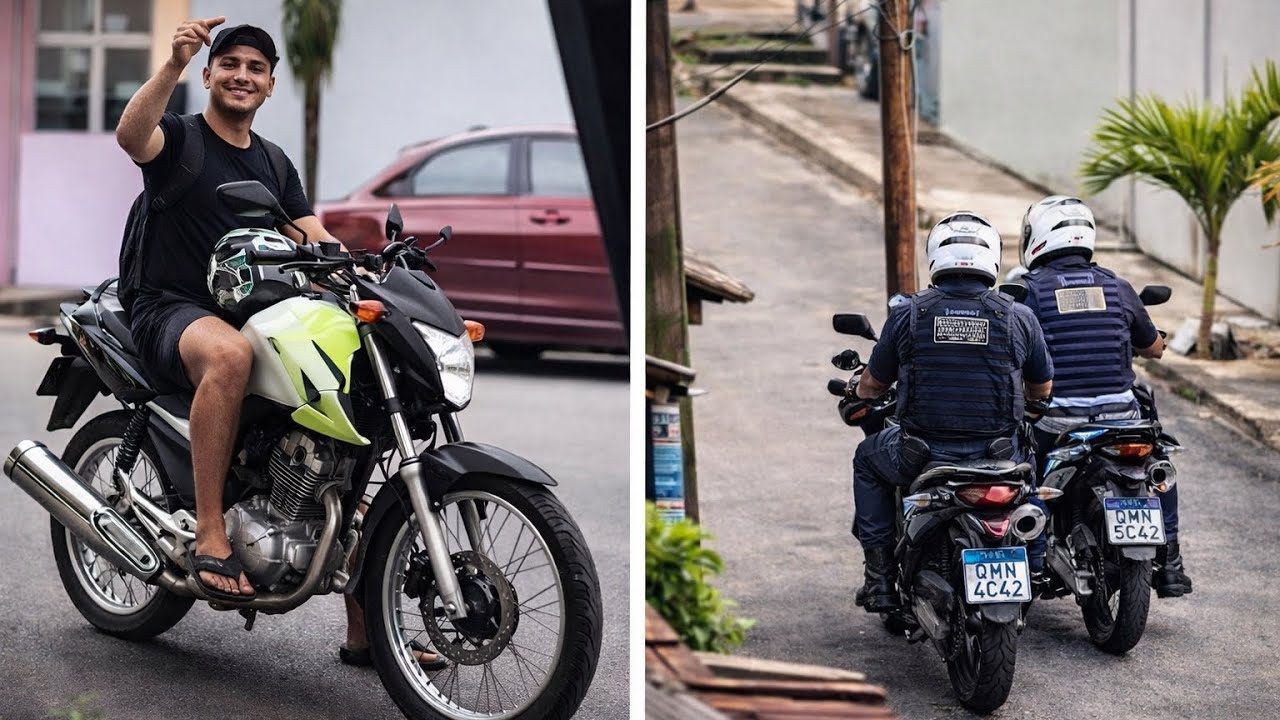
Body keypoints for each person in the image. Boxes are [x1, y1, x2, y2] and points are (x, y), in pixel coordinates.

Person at [115, 17, 443, 665]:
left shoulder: (273, 161)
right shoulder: (180, 138)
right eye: (230, 63)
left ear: (270, 85)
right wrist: (173, 63)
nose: (242, 75)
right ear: (210, 75)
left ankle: (367, 631)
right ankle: (212, 531)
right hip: (172, 309)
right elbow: (131, 136)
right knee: (231, 355)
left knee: (347, 421)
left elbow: (311, 232)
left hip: (258, 311)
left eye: (256, 68)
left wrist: (367, 269)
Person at [851, 212, 1054, 612]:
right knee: (1031, 474)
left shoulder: (909, 313)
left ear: (935, 257)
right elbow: (1042, 387)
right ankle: (1034, 565)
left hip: (922, 455)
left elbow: (873, 385)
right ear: (992, 258)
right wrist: (1030, 406)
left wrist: (857, 389)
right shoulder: (1019, 316)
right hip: (998, 455)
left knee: (866, 460)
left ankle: (879, 580)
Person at [1017, 195, 1192, 598]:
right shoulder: (1118, 286)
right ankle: (1171, 561)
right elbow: (1153, 348)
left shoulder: (1030, 292)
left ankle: (1032, 559)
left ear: (1036, 237)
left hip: (1057, 421)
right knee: (1158, 464)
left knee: (1023, 470)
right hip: (1120, 420)